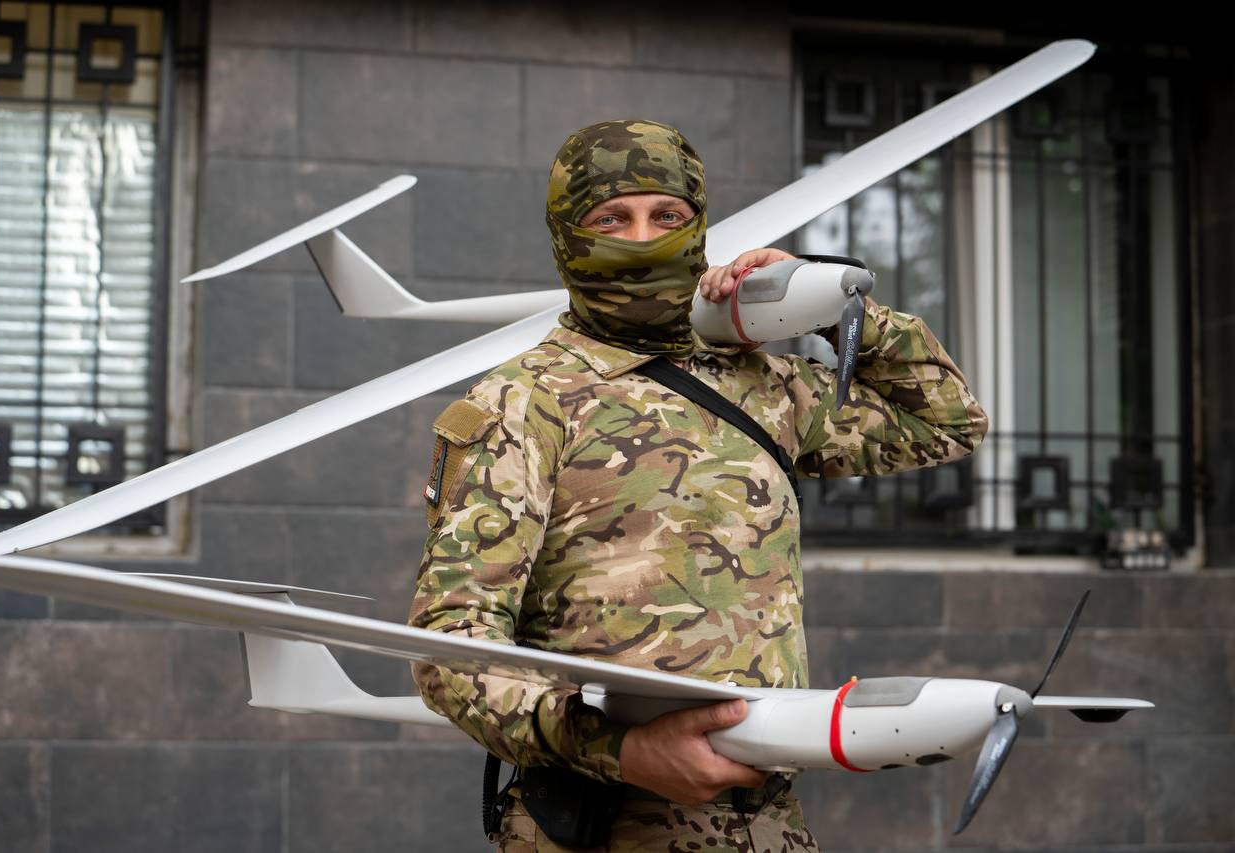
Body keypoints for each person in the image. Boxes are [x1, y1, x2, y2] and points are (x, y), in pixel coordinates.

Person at [408, 118, 989, 852]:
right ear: (566, 235)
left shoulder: (761, 384)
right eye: (612, 218)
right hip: (601, 826)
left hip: (767, 826)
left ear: (700, 226)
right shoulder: (522, 402)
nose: (644, 239)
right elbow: (451, 650)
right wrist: (620, 750)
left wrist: (826, 307)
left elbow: (947, 420)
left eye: (668, 217)